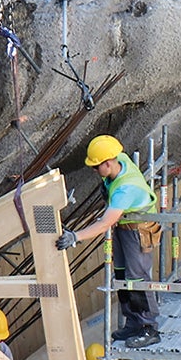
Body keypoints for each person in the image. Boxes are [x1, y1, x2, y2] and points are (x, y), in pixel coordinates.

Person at [57, 135, 162, 348]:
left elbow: (105, 223)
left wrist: (75, 236)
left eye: (96, 167)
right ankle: (133, 322)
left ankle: (148, 328)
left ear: (108, 163)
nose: (94, 171)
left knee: (137, 279)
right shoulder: (118, 158)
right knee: (122, 275)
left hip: (137, 231)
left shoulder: (126, 190)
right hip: (125, 227)